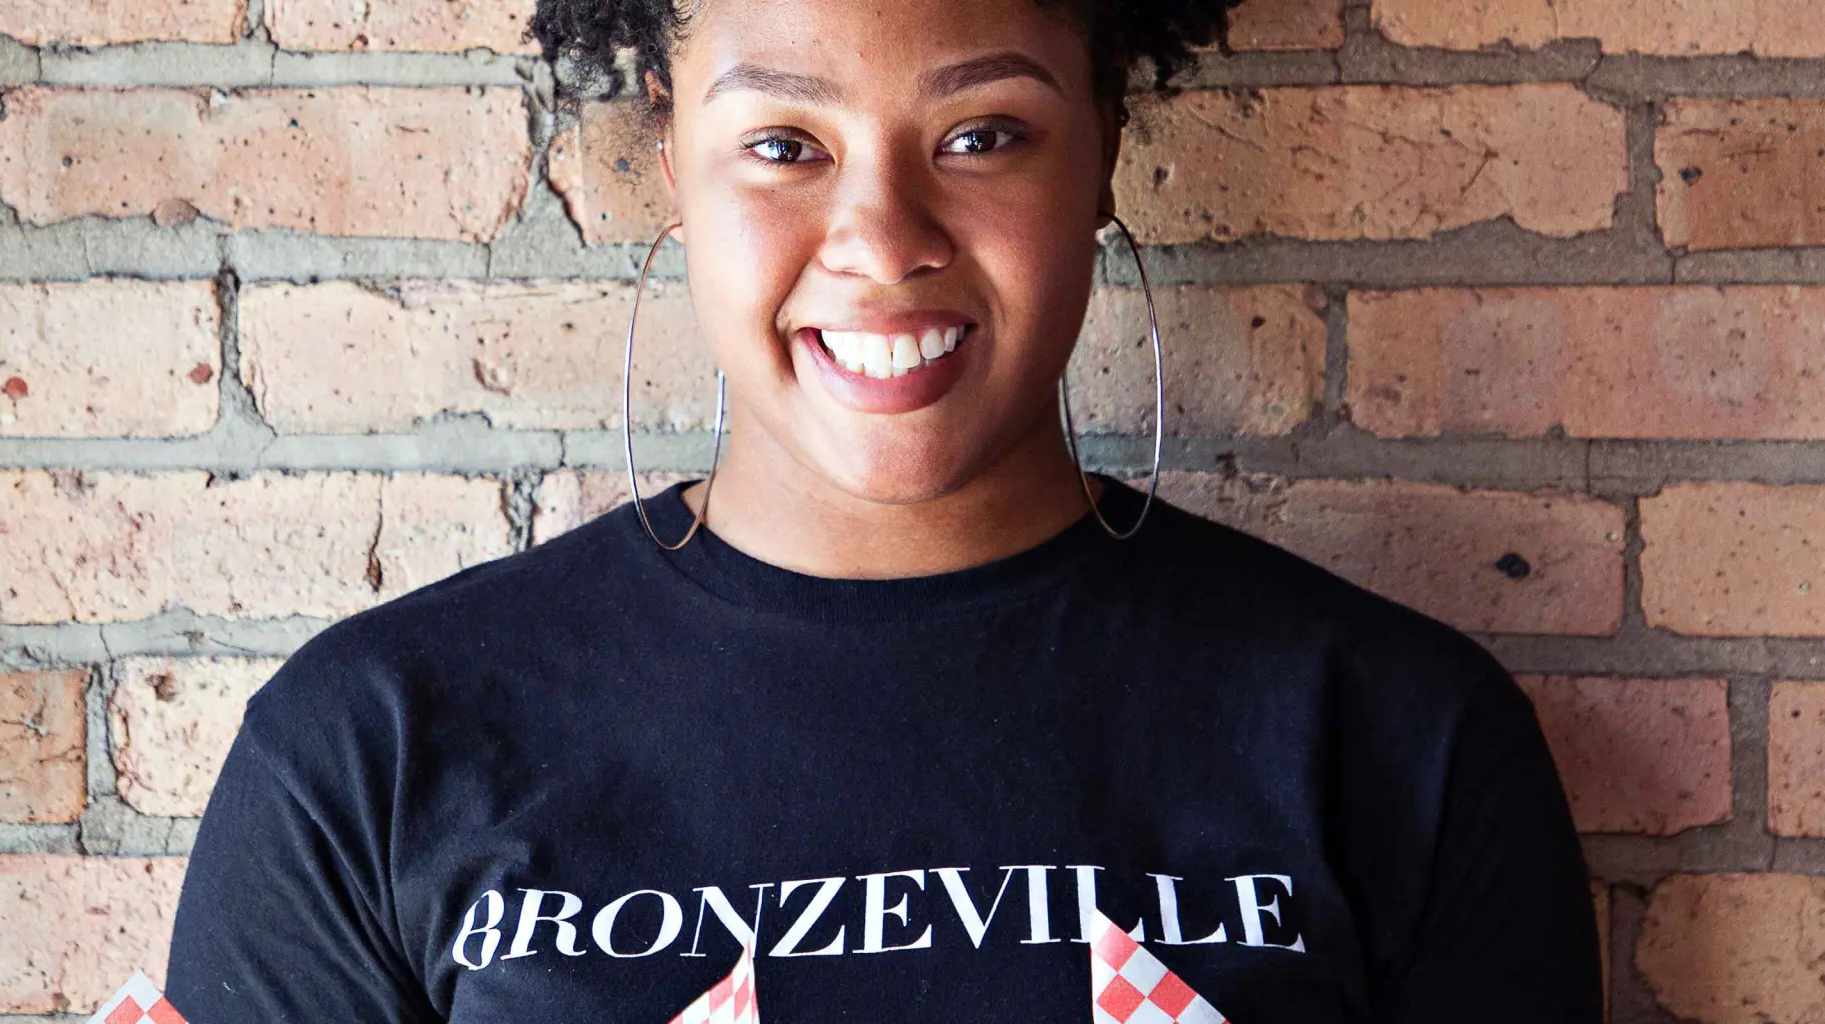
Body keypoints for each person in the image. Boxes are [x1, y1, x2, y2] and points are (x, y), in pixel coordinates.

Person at [163, 0, 1602, 1020]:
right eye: (785, 144)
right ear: (674, 160)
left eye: (981, 136)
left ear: (1103, 145)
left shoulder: (1402, 735)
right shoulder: (368, 748)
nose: (883, 242)